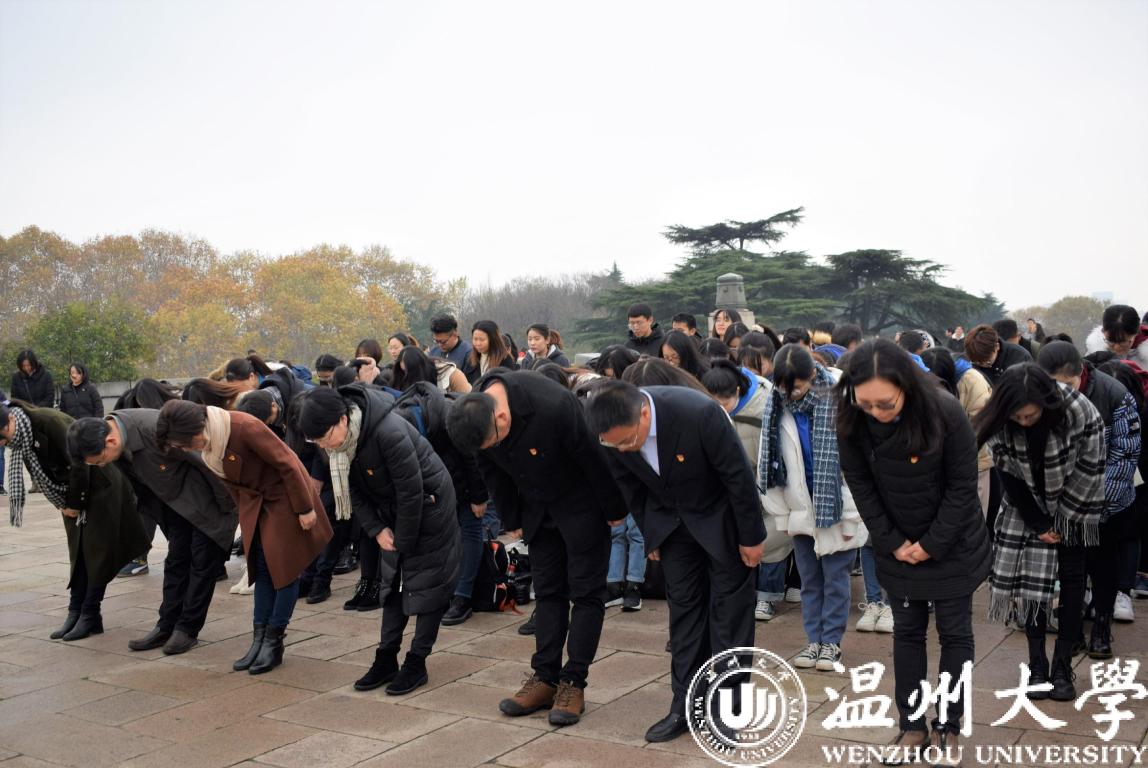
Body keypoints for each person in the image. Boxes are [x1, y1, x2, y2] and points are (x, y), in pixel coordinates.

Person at [586, 379, 766, 743]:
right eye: (614, 445)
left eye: (628, 441)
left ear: (644, 413)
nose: (623, 449)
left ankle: (728, 707)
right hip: (672, 526)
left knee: (729, 617)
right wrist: (652, 534)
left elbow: (738, 476)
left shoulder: (698, 414)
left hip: (721, 522)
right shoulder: (611, 435)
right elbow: (630, 487)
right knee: (684, 615)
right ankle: (685, 704)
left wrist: (751, 537)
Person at [836, 340, 989, 761]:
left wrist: (931, 544)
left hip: (953, 544)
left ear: (906, 385)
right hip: (897, 544)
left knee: (955, 634)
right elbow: (861, 486)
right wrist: (893, 542)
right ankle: (912, 724)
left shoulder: (945, 411)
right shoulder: (852, 418)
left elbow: (962, 487)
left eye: (885, 404)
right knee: (907, 632)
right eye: (866, 404)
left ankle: (950, 724)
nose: (876, 412)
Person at [447, 370, 626, 728]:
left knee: (586, 594)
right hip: (537, 511)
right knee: (547, 593)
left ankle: (574, 682)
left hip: (582, 505)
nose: (492, 447)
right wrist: (511, 516)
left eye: (494, 440)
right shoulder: (476, 413)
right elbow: (489, 468)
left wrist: (614, 510)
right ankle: (545, 677)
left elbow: (593, 457)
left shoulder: (553, 405)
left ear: (502, 416)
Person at [297, 384, 460, 695]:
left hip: (430, 509)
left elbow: (411, 491)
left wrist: (402, 541)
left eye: (325, 437)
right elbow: (354, 491)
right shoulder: (341, 443)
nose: (324, 446)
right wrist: (377, 530)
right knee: (393, 586)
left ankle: (416, 662)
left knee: (428, 588)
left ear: (342, 419)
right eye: (316, 441)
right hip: (392, 515)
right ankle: (386, 657)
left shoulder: (388, 432)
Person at [155, 400, 333, 675]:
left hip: (284, 499)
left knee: (284, 571)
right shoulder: (211, 446)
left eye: (185, 443)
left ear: (196, 428)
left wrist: (304, 507)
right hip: (255, 505)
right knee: (260, 570)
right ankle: (259, 639)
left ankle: (274, 641)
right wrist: (245, 516)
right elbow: (233, 487)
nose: (187, 449)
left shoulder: (242, 426)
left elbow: (288, 463)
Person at [976, 364, 1105, 701]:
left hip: (1076, 503)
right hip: (1026, 505)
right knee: (1031, 585)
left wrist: (1063, 521)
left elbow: (1091, 467)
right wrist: (1038, 523)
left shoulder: (1079, 411)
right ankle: (1037, 664)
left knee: (1074, 580)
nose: (1023, 421)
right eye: (1016, 417)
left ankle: (1063, 665)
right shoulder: (1000, 417)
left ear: (1046, 404)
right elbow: (1008, 474)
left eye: (1030, 416)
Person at [67, 409, 238, 655]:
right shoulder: (116, 436)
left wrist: (227, 509)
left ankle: (187, 630)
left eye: (101, 459)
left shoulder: (157, 429)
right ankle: (166, 626)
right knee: (176, 563)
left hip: (208, 503)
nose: (103, 464)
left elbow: (208, 461)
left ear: (110, 441)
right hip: (176, 506)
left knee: (202, 565)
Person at [2, 400, 148, 641]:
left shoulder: (48, 421)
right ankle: (76, 611)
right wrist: (61, 503)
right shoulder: (21, 436)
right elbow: (40, 472)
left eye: (2, 435)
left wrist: (74, 504)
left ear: (10, 419)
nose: (3, 442)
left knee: (97, 553)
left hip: (100, 484)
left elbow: (79, 462)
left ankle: (90, 613)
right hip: (69, 492)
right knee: (78, 554)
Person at [761, 344, 866, 670]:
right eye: (783, 386)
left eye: (795, 386)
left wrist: (853, 516)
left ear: (811, 375)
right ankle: (813, 640)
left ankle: (831, 642)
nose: (789, 393)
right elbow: (771, 466)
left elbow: (859, 465)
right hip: (800, 507)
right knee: (810, 581)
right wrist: (782, 515)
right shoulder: (777, 405)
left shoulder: (842, 400)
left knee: (835, 580)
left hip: (838, 506)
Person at [1038, 342, 1141, 647]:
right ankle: (1072, 629)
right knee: (1071, 568)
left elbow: (1125, 454)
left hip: (1105, 500)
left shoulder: (1114, 394)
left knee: (1103, 563)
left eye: (1067, 385)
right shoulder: (1038, 393)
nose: (1061, 393)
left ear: (1080, 372)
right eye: (1053, 386)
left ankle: (1102, 625)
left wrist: (1098, 502)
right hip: (1063, 500)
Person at [921, 347, 996, 520]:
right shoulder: (919, 383)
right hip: (936, 465)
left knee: (972, 516)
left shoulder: (971, 380)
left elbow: (982, 425)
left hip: (975, 461)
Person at [964, 323, 1032, 387]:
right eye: (978, 363)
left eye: (988, 362)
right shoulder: (970, 359)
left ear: (997, 347)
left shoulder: (1020, 356)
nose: (983, 366)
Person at [393, 346, 471, 394]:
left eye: (409, 371)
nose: (406, 375)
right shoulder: (400, 377)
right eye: (403, 371)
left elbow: (468, 401)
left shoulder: (451, 374)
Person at [429, 313, 477, 381]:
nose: (440, 345)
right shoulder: (433, 352)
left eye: (443, 342)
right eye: (436, 341)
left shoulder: (469, 354)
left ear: (455, 334)